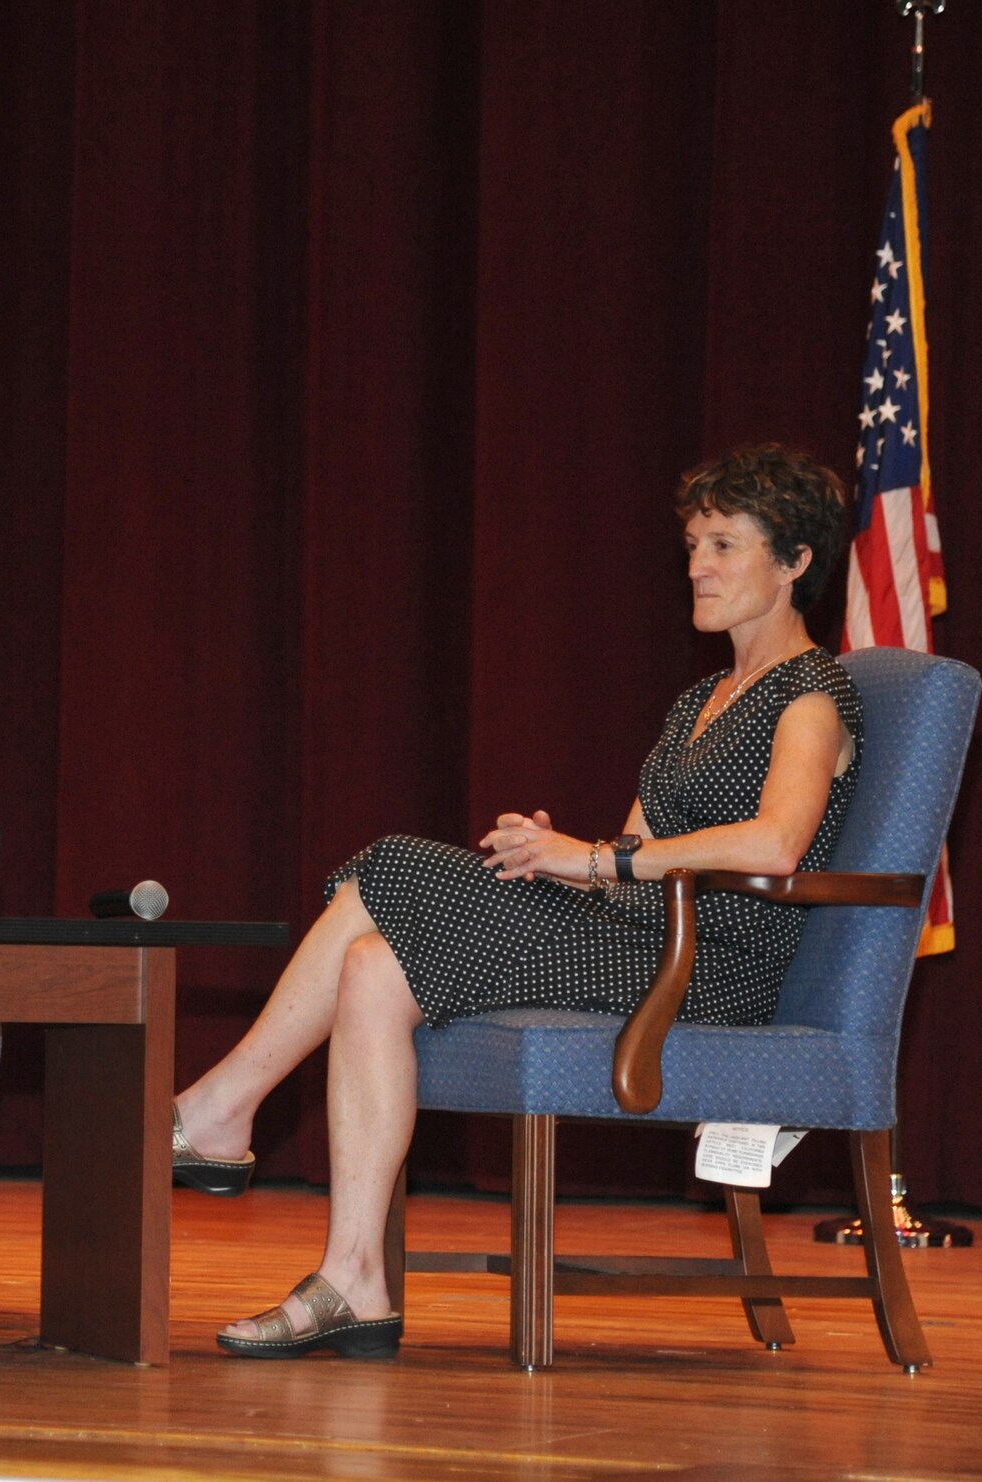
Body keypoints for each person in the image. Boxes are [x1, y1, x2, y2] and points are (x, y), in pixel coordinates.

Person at [170, 444, 859, 1359]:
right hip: (642, 936)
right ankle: (354, 1278)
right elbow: (633, 847)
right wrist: (558, 860)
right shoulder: (700, 697)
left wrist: (598, 863)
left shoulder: (810, 697)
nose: (698, 565)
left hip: (711, 966)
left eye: (726, 545)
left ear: (797, 563)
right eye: (694, 543)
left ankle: (222, 1108)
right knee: (376, 966)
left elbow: (777, 844)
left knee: (394, 864)